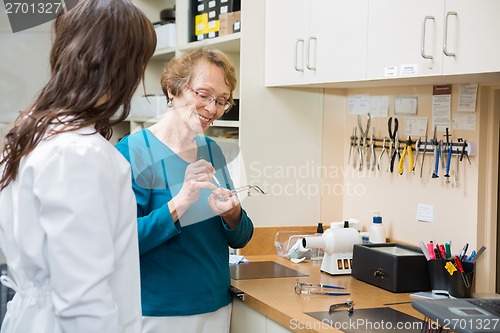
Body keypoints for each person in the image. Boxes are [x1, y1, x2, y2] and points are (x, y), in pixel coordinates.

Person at [0, 0, 156, 332]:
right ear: (120, 66)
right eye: (140, 62)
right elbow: (82, 301)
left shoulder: (33, 133)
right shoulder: (80, 153)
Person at [116, 47, 254, 333]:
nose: (213, 109)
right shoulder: (135, 151)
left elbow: (241, 236)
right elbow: (123, 240)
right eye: (203, 94)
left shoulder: (212, 150)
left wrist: (233, 213)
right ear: (172, 90)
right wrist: (181, 202)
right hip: (162, 312)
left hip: (217, 303)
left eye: (222, 101)